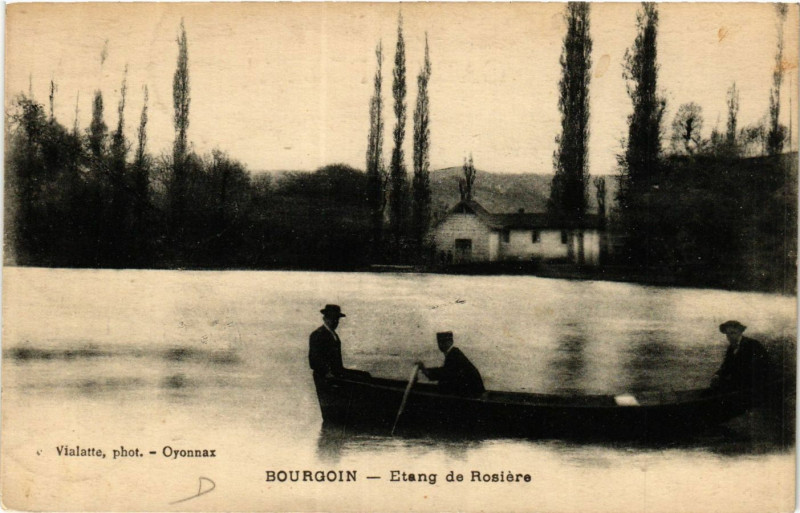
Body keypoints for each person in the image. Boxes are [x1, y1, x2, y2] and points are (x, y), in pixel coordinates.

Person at [309, 304, 367, 389]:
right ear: (325, 319)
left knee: (365, 375)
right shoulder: (318, 334)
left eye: (337, 319)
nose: (335, 321)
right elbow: (314, 361)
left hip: (337, 372)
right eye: (332, 318)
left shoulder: (333, 334)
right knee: (361, 380)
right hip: (326, 377)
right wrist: (327, 372)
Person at [710, 320, 770, 402]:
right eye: (727, 334)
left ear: (740, 332)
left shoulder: (752, 344)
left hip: (755, 382)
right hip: (740, 382)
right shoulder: (731, 348)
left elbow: (759, 368)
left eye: (733, 333)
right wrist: (718, 374)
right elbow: (726, 366)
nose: (729, 336)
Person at [417, 331, 485, 397]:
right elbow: (445, 370)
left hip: (473, 394)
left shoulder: (454, 354)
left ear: (451, 342)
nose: (441, 344)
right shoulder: (454, 352)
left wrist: (425, 371)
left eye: (444, 342)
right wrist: (426, 370)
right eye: (439, 342)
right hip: (473, 391)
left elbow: (445, 373)